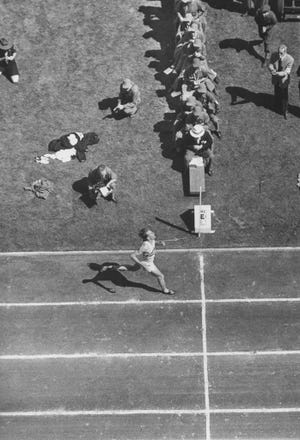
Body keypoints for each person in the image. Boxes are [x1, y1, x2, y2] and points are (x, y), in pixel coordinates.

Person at [119, 228, 175, 295]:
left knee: (132, 268)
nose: (153, 233)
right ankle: (165, 290)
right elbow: (132, 255)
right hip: (147, 264)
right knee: (160, 276)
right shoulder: (145, 245)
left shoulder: (152, 240)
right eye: (151, 233)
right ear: (148, 237)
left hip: (145, 260)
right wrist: (142, 265)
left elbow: (154, 242)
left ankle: (115, 267)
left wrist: (160, 243)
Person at [268, 44, 294, 119]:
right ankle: (277, 105)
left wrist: (277, 73)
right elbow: (270, 64)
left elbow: (287, 71)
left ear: (285, 52)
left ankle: (285, 111)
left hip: (283, 80)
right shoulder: (274, 55)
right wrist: (272, 69)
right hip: (276, 79)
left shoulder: (290, 59)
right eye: (278, 52)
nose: (279, 55)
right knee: (276, 92)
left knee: (284, 96)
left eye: (281, 53)